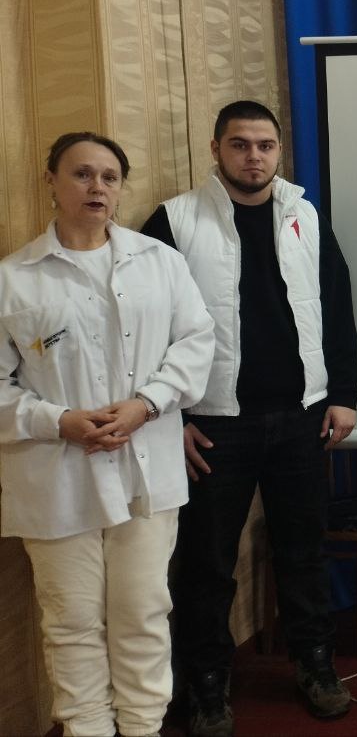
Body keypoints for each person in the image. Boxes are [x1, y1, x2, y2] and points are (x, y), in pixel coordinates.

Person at [141, 100, 357, 737]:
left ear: (278, 151)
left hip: (301, 417)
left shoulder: (304, 215)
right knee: (207, 565)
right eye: (240, 144)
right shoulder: (174, 222)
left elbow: (335, 303)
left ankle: (315, 665)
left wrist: (344, 391)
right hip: (214, 425)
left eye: (265, 145)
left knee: (303, 554)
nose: (254, 157)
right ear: (216, 149)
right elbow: (143, 328)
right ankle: (207, 685)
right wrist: (169, 417)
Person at [0, 132, 214, 737]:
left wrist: (147, 404)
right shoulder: (14, 279)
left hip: (146, 468)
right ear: (51, 180)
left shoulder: (160, 262)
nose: (97, 187)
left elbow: (197, 343)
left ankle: (143, 728)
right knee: (71, 622)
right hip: (55, 476)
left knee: (143, 612)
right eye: (82, 174)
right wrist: (56, 420)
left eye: (110, 177)